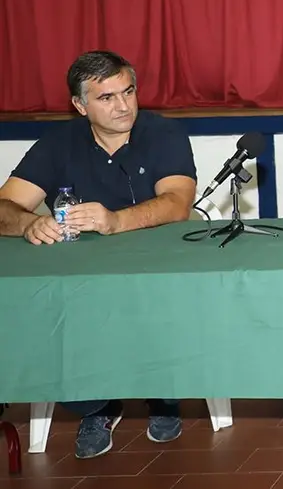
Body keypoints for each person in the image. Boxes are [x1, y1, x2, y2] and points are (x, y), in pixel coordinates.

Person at [0, 50, 197, 458]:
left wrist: (116, 221)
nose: (123, 106)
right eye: (106, 98)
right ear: (80, 105)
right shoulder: (58, 143)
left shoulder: (163, 133)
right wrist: (27, 223)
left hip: (154, 265)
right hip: (80, 274)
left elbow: (178, 202)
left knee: (160, 302)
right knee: (48, 312)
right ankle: (96, 404)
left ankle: (163, 394)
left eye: (128, 92)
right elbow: (5, 205)